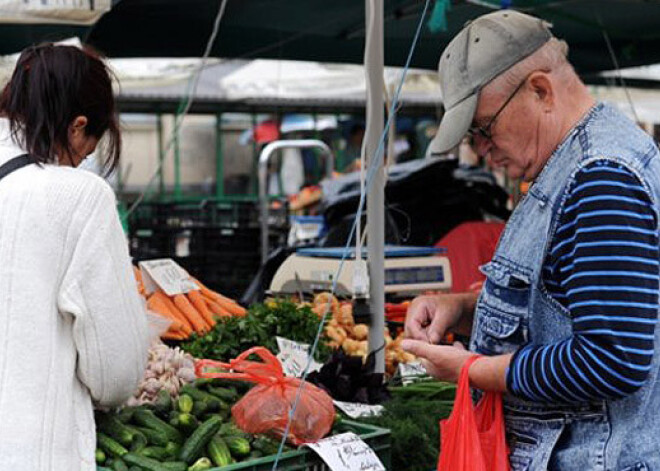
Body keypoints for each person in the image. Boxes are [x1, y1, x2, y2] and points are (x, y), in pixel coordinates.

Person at [403, 10, 660, 471]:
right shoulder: (570, 164)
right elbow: (559, 307)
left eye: (482, 128)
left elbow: (611, 360)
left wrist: (471, 370)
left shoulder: (600, 179)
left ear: (540, 90)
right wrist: (462, 309)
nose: (480, 149)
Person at [0, 44, 149, 470]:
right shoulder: (77, 197)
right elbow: (115, 374)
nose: (80, 163)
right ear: (77, 126)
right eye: (86, 152)